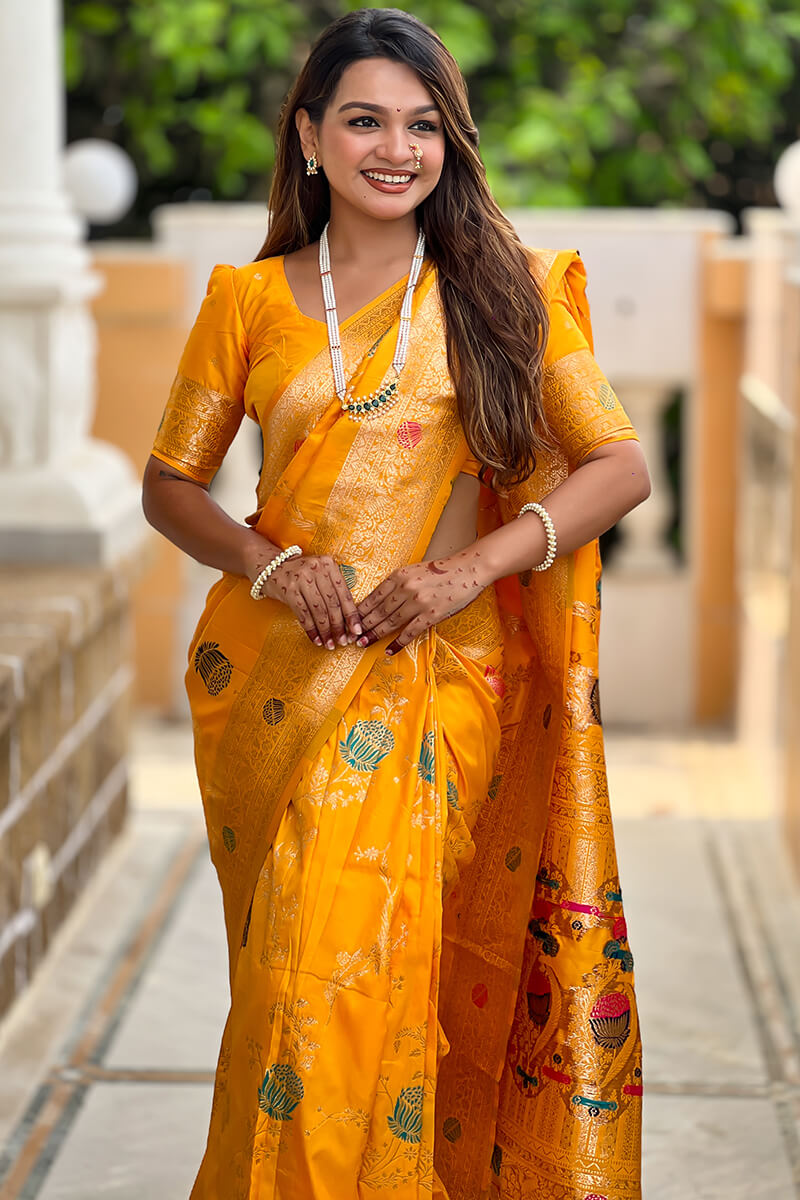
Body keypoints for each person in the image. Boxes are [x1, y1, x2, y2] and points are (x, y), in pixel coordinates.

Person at [142, 8, 650, 1198]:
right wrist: (272, 564)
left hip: (440, 681)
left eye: (423, 125)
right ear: (309, 137)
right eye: (363, 119)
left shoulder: (505, 292)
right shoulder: (249, 300)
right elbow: (171, 488)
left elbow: (617, 465)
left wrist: (463, 572)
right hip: (274, 681)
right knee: (287, 991)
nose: (394, 147)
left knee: (360, 976)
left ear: (450, 145)